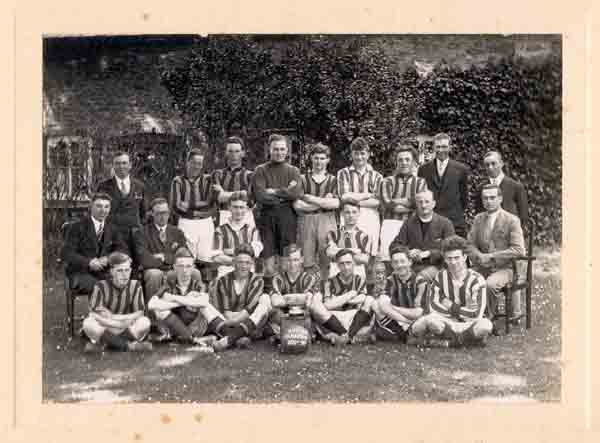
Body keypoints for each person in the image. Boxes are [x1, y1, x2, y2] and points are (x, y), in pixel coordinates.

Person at [410, 235, 493, 347]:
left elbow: (475, 314)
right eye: (449, 258)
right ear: (444, 259)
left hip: (468, 323)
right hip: (446, 322)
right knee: (426, 322)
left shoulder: (477, 280)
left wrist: (449, 304)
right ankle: (464, 340)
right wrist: (462, 311)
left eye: (457, 257)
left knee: (486, 325)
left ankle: (448, 341)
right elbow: (433, 307)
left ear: (464, 257)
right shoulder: (440, 276)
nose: (453, 262)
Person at [467, 184, 526, 323]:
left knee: (490, 285)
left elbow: (519, 250)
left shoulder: (511, 220)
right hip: (482, 266)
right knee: (465, 279)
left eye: (492, 197)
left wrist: (492, 256)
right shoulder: (478, 219)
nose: (489, 201)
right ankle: (469, 314)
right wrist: (479, 256)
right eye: (485, 198)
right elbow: (469, 244)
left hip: (506, 268)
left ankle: (486, 319)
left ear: (500, 198)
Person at [253, 134, 304, 290]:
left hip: (287, 218)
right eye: (275, 149)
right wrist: (284, 194)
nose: (279, 152)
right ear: (269, 150)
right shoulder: (261, 170)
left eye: (282, 149)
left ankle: (284, 294)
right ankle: (269, 295)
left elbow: (296, 193)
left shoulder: (293, 170)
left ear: (287, 150)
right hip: (266, 218)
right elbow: (260, 195)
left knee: (286, 261)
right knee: (268, 263)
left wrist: (273, 191)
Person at [147, 248, 219, 349]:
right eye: (180, 266)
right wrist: (186, 300)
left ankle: (225, 335)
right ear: (174, 267)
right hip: (174, 328)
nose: (184, 271)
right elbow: (151, 304)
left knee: (203, 305)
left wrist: (174, 298)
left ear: (193, 267)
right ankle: (192, 340)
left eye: (188, 266)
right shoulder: (168, 285)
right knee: (160, 311)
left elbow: (204, 302)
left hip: (195, 327)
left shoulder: (198, 285)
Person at [82, 252, 152, 352]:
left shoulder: (136, 285)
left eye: (127, 270)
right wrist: (118, 323)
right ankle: (130, 346)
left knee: (145, 322)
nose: (124, 274)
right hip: (108, 327)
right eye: (120, 271)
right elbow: (95, 315)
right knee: (88, 323)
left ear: (131, 270)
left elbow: (139, 313)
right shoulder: (100, 286)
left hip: (126, 327)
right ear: (112, 272)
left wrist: (115, 319)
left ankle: (105, 344)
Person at [210, 244, 273, 351]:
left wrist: (234, 320)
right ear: (233, 262)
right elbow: (227, 314)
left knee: (265, 299)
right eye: (240, 262)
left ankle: (229, 339)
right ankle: (239, 338)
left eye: (247, 262)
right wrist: (233, 320)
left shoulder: (257, 281)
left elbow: (248, 311)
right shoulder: (223, 281)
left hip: (248, 324)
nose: (244, 266)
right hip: (231, 325)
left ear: (252, 263)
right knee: (204, 303)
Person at [61, 192, 127, 293]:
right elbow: (67, 253)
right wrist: (89, 262)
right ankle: (100, 308)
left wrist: (108, 259)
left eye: (106, 207)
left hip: (105, 272)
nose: (103, 210)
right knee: (100, 287)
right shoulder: (77, 227)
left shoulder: (113, 228)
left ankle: (114, 309)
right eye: (99, 206)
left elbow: (122, 249)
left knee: (123, 283)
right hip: (81, 273)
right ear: (91, 206)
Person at [140, 197, 201, 301]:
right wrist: (173, 259)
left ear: (169, 213)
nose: (162, 216)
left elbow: (186, 256)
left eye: (165, 212)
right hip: (153, 270)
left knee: (195, 272)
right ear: (152, 214)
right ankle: (153, 311)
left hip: (174, 269)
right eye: (158, 213)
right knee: (155, 274)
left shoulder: (177, 232)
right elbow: (144, 258)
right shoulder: (143, 232)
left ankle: (193, 306)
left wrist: (164, 258)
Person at [310, 249, 376, 345]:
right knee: (315, 306)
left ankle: (344, 336)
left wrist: (338, 300)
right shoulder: (329, 282)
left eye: (349, 263)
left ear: (354, 263)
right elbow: (328, 305)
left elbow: (363, 298)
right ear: (337, 265)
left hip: (354, 318)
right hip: (333, 318)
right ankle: (349, 336)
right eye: (342, 264)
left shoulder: (359, 279)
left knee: (370, 300)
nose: (346, 267)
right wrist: (350, 294)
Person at [293, 143, 340, 278]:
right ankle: (308, 289)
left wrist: (309, 198)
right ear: (311, 159)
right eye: (316, 158)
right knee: (307, 258)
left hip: (327, 220)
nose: (319, 161)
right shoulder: (302, 179)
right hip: (307, 219)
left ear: (327, 160)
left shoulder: (333, 180)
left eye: (322, 158)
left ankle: (326, 289)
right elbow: (297, 205)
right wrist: (323, 202)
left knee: (327, 256)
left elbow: (335, 204)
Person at [389, 189, 455, 281]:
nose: (423, 205)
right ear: (416, 204)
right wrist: (408, 252)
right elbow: (394, 245)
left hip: (437, 266)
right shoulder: (409, 223)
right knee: (393, 278)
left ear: (433, 204)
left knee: (420, 278)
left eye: (427, 202)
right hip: (413, 266)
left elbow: (452, 250)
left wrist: (428, 253)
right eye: (420, 202)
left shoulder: (446, 223)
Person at [96, 151, 149, 265]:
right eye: (117, 163)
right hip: (113, 238)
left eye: (124, 163)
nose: (121, 166)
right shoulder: (104, 187)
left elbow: (143, 214)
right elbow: (97, 213)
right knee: (116, 269)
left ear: (130, 165)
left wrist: (139, 231)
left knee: (136, 271)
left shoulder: (139, 186)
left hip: (135, 239)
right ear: (113, 166)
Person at [379, 144, 427, 261]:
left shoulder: (420, 182)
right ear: (396, 162)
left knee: (411, 260)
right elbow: (388, 205)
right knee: (389, 260)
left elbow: (421, 204)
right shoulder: (387, 181)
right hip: (391, 223)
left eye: (407, 159)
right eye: (400, 160)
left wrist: (395, 200)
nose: (404, 162)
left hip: (413, 224)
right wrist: (411, 203)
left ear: (413, 162)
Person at [371, 246, 428, 342]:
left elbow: (419, 313)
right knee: (375, 304)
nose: (399, 265)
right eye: (396, 262)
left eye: (402, 261)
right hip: (399, 320)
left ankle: (398, 334)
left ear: (410, 262)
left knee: (422, 320)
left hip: (416, 321)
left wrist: (393, 308)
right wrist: (404, 321)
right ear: (392, 265)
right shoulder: (390, 280)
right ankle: (402, 333)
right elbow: (382, 304)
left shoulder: (420, 281)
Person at [337, 137, 383, 256]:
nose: (359, 157)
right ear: (351, 154)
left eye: (362, 153)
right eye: (356, 154)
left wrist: (353, 198)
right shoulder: (343, 173)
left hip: (370, 216)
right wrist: (368, 195)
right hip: (349, 214)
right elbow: (344, 196)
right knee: (348, 253)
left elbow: (377, 202)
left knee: (370, 253)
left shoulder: (377, 176)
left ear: (368, 154)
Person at [418, 133, 470, 237]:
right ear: (433, 147)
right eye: (438, 147)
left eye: (444, 147)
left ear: (450, 147)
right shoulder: (423, 170)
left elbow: (464, 198)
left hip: (455, 222)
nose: (441, 150)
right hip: (431, 222)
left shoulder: (461, 169)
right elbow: (421, 195)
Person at [169, 148, 217, 262]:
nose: (197, 166)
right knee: (187, 257)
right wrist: (200, 208)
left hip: (206, 223)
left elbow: (211, 203)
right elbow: (176, 205)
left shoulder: (208, 179)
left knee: (205, 257)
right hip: (186, 223)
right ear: (187, 162)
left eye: (199, 163)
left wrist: (188, 205)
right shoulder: (178, 181)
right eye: (194, 163)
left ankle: (203, 280)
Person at [268, 244, 320, 341]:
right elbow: (276, 302)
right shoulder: (278, 278)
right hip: (283, 316)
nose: (292, 264)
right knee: (272, 310)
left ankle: (287, 333)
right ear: (283, 261)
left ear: (302, 260)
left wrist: (286, 298)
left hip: (303, 314)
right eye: (289, 260)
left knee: (314, 308)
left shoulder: (309, 278)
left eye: (295, 260)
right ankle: (300, 333)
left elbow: (308, 302)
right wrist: (300, 298)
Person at [211, 192, 263, 278]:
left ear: (246, 209)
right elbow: (216, 256)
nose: (238, 211)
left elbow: (255, 253)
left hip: (247, 270)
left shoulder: (253, 230)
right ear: (229, 208)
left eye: (241, 207)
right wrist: (240, 260)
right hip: (226, 270)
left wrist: (228, 251)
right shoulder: (220, 230)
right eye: (235, 207)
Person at [212, 136, 255, 227]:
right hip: (224, 216)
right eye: (230, 151)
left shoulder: (250, 175)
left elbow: (250, 199)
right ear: (226, 153)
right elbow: (218, 198)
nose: (234, 155)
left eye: (237, 151)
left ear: (243, 153)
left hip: (245, 216)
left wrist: (224, 193)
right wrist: (242, 193)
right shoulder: (217, 174)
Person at [477, 150, 528, 224]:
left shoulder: (516, 187)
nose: (490, 167)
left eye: (493, 163)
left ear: (501, 164)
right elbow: (479, 215)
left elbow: (523, 216)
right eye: (487, 165)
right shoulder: (481, 188)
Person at [325, 203, 371, 279]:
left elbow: (365, 259)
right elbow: (330, 253)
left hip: (357, 271)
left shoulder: (364, 236)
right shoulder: (333, 234)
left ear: (359, 213)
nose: (351, 215)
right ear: (342, 213)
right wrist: (355, 251)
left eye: (354, 212)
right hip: (337, 270)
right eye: (347, 212)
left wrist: (338, 251)